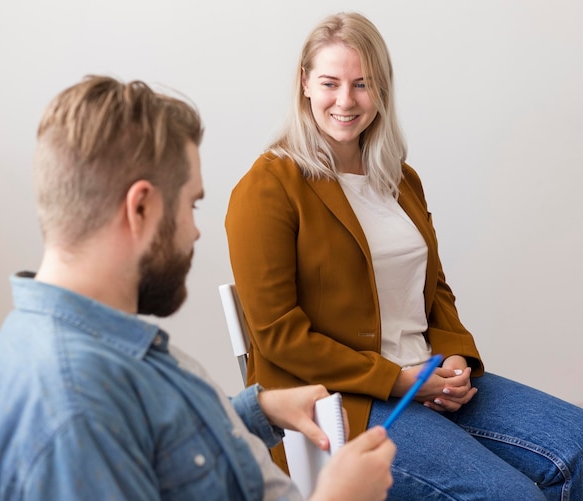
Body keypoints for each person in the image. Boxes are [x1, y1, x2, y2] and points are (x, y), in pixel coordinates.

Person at [0, 75, 397, 501]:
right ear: (140, 207)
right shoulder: (75, 405)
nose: (195, 232)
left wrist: (255, 411)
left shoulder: (61, 334)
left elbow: (147, 445)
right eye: (191, 205)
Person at [225, 12, 583, 501]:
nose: (345, 101)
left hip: (429, 375)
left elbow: (434, 290)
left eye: (363, 84)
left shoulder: (399, 178)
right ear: (305, 84)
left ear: (382, 90)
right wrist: (397, 379)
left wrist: (455, 358)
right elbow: (279, 335)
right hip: (342, 399)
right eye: (330, 83)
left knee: (577, 446)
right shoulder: (268, 186)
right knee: (511, 494)